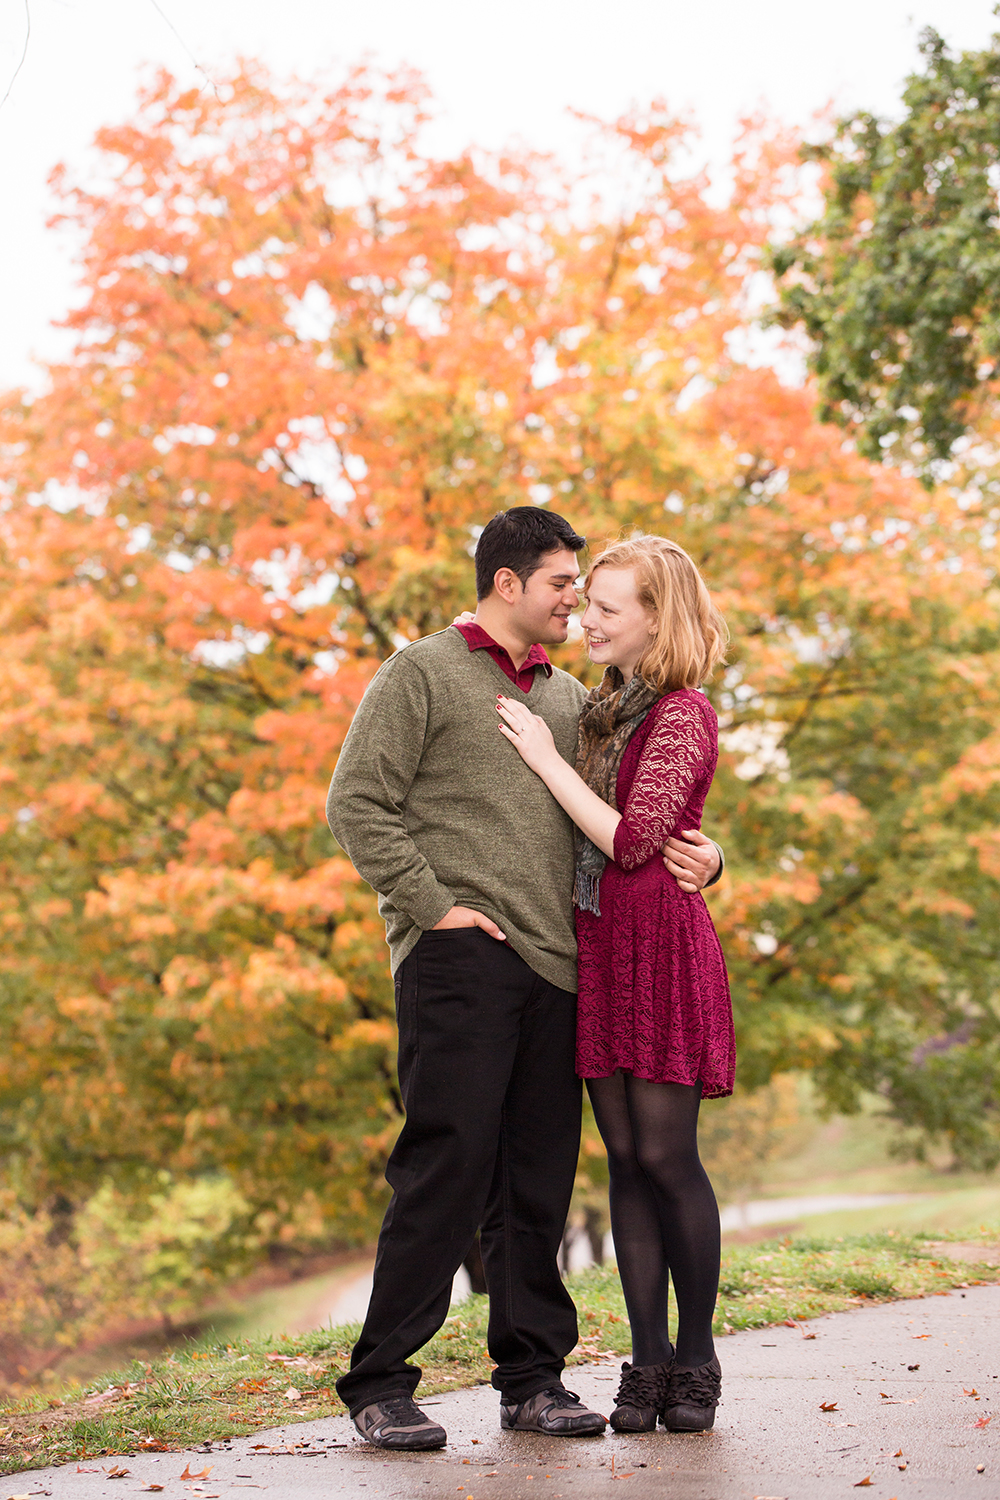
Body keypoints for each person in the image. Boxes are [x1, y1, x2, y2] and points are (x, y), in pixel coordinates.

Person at [326, 507, 722, 1452]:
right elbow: (357, 802)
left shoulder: (575, 698)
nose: (575, 602)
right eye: (560, 585)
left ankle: (532, 1380)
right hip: (460, 955)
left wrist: (709, 862)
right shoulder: (420, 672)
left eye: (586, 591)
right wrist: (433, 906)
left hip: (562, 964)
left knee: (537, 1182)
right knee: (445, 1168)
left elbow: (629, 819)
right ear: (507, 583)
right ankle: (381, 1382)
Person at [495, 533, 733, 1435]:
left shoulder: (683, 714)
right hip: (599, 948)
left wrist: (546, 763)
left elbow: (636, 842)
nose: (584, 619)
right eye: (584, 602)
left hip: (661, 953)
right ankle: (648, 1363)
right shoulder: (599, 709)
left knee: (669, 1158)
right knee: (626, 1164)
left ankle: (699, 1359)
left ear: (654, 619)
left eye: (606, 608)